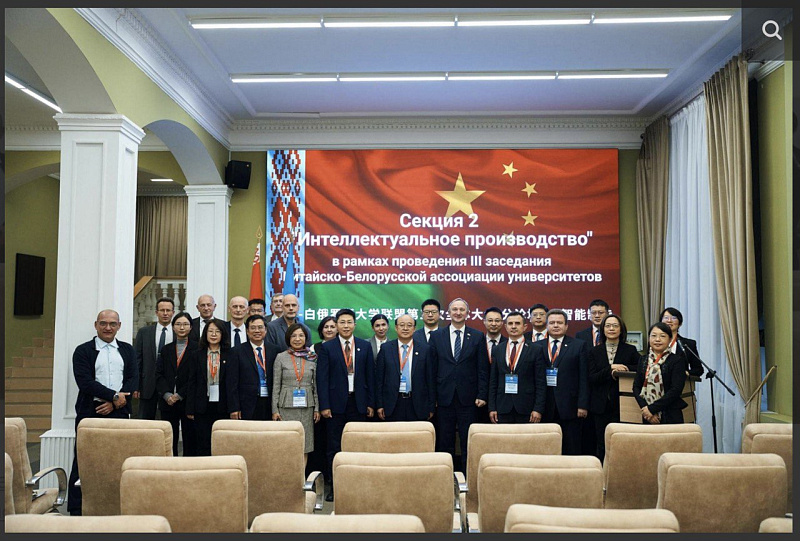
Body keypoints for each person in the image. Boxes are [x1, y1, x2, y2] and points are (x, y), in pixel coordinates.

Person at [68, 309, 136, 515]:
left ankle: (116, 505)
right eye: (103, 323)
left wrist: (115, 403)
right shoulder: (82, 351)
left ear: (119, 326)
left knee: (118, 459)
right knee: (83, 460)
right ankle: (76, 509)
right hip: (90, 412)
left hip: (119, 412)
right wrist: (113, 396)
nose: (108, 328)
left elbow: (133, 379)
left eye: (112, 324)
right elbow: (85, 382)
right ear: (96, 325)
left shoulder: (127, 349)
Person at [317, 308, 375, 501]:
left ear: (355, 325)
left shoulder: (364, 346)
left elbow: (369, 377)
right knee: (334, 447)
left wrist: (370, 403)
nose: (346, 326)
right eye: (342, 322)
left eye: (349, 322)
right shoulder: (328, 347)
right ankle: (335, 487)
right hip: (335, 406)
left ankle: (357, 485)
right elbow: (322, 379)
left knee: (357, 445)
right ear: (336, 325)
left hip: (358, 403)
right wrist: (324, 405)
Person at [428, 298, 489, 473]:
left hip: (469, 399)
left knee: (467, 440)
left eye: (462, 309)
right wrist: (432, 399)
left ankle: (467, 477)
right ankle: (445, 475)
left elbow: (482, 368)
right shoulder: (436, 336)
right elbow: (431, 370)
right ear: (448, 313)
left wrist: (482, 394)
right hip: (444, 397)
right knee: (444, 440)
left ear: (467, 313)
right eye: (454, 309)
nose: (458, 312)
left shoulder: (477, 336)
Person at [533, 309, 589, 455]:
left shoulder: (578, 345)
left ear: (566, 326)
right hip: (545, 405)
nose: (556, 325)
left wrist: (582, 405)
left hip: (570, 406)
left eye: (559, 322)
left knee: (571, 447)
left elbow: (583, 377)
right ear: (546, 325)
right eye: (552, 323)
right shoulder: (536, 346)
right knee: (546, 446)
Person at [587, 314, 639, 462]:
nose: (611, 329)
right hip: (600, 405)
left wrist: (624, 368)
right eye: (608, 326)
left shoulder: (630, 350)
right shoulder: (594, 351)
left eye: (615, 326)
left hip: (623, 404)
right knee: (601, 443)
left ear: (621, 329)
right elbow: (592, 377)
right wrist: (611, 369)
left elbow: (640, 368)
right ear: (603, 330)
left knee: (622, 442)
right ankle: (602, 472)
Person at [272, 324, 320, 465]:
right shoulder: (281, 357)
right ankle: (288, 475)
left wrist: (317, 408)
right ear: (288, 338)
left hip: (307, 407)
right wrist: (274, 410)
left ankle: (301, 476)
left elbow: (316, 385)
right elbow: (276, 385)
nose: (297, 339)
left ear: (306, 338)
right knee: (287, 443)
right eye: (293, 336)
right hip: (285, 408)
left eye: (301, 336)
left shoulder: (312, 357)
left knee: (305, 444)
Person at [488, 311, 546, 425]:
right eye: (510, 324)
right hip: (502, 406)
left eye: (517, 323)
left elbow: (540, 382)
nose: (513, 326)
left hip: (527, 407)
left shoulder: (536, 349)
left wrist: (538, 409)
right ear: (505, 327)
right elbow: (493, 381)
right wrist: (492, 407)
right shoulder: (497, 349)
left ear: (525, 326)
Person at [376, 314, 435, 423]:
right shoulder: (386, 349)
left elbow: (430, 380)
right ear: (396, 328)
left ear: (414, 328)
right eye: (402, 325)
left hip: (417, 403)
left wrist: (431, 406)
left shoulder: (425, 349)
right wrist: (379, 405)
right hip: (393, 403)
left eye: (409, 325)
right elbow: (379, 379)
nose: (405, 328)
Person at [155, 311, 198, 456]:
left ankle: (188, 466)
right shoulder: (166, 349)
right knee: (168, 439)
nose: (182, 327)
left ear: (191, 327)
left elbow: (196, 377)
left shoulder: (197, 349)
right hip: (168, 401)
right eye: (178, 324)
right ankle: (169, 465)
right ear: (173, 327)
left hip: (187, 401)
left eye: (185, 324)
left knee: (190, 439)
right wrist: (167, 394)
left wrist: (179, 395)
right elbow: (159, 374)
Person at [185, 318, 231, 455]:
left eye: (217, 331)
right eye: (210, 331)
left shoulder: (230, 354)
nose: (214, 334)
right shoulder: (196, 355)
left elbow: (233, 382)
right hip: (202, 405)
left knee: (222, 442)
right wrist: (190, 407)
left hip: (223, 405)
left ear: (223, 334)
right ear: (205, 333)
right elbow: (191, 382)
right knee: (203, 442)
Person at [227, 314, 281, 421]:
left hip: (270, 404)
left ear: (266, 330)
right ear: (247, 331)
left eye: (260, 327)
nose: (257, 331)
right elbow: (232, 382)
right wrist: (234, 408)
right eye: (253, 328)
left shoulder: (275, 350)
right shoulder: (237, 351)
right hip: (247, 405)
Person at [633, 322, 688, 424]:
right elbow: (636, 387)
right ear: (649, 338)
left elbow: (676, 390)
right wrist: (646, 409)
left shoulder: (677, 360)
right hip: (647, 415)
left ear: (670, 339)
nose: (657, 339)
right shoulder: (643, 359)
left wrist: (652, 409)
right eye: (653, 336)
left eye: (662, 336)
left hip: (670, 414)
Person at [133, 297, 174, 419]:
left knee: (169, 421)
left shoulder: (178, 333)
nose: (165, 313)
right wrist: (136, 386)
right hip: (147, 385)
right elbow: (137, 360)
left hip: (169, 385)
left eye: (168, 310)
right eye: (162, 310)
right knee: (145, 422)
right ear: (156, 312)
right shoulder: (144, 332)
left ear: (173, 312)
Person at [308, 315, 336, 486]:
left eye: (332, 326)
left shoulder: (343, 347)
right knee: (321, 440)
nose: (329, 329)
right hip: (319, 397)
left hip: (337, 398)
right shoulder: (314, 348)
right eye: (326, 327)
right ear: (321, 330)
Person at [659, 307, 704, 377]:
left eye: (674, 318)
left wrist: (685, 373)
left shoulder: (688, 344)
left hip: (680, 382)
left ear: (680, 323)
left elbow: (698, 369)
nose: (669, 320)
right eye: (666, 318)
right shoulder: (655, 342)